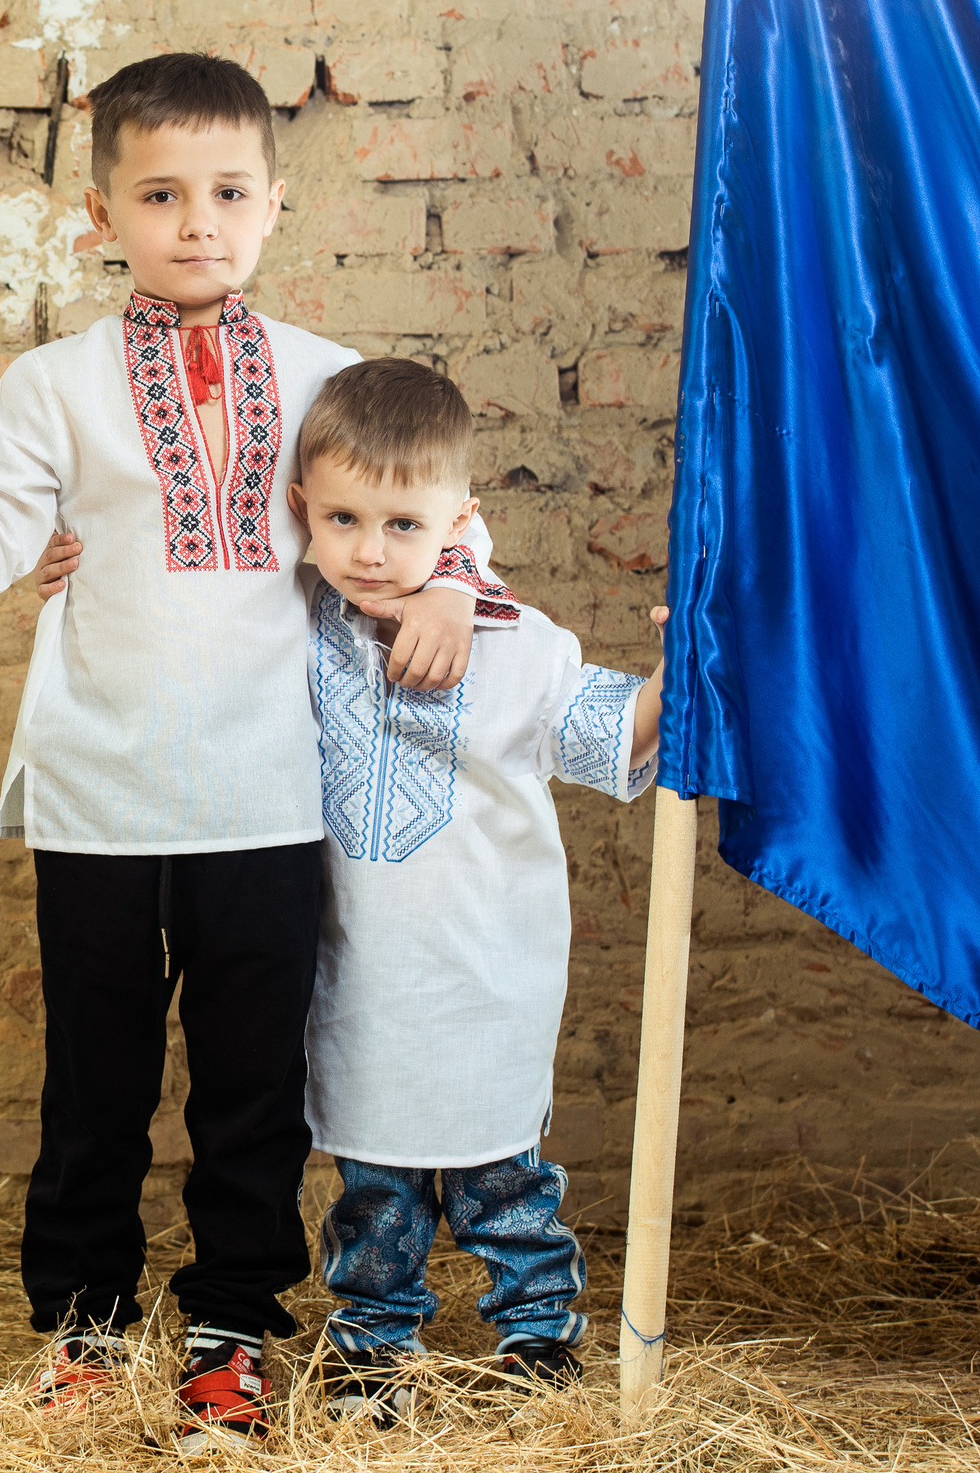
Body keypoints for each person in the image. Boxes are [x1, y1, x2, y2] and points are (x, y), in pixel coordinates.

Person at [0, 52, 512, 1453]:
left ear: (275, 204)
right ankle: (87, 1327)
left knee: (252, 1086)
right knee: (93, 1082)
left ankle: (233, 1325)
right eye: (161, 194)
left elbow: (432, 515)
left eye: (227, 191)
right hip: (99, 799)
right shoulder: (52, 387)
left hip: (272, 799)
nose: (197, 221)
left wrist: (456, 583)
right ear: (103, 217)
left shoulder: (331, 381)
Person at [284, 358, 663, 1426]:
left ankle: (539, 1336)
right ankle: (369, 1349)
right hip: (360, 976)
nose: (369, 548)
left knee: (504, 1185)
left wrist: (682, 674)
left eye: (403, 524)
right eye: (345, 518)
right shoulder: (295, 627)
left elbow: (610, 735)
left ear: (459, 521)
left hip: (486, 972)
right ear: (304, 512)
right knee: (375, 1190)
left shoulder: (518, 647)